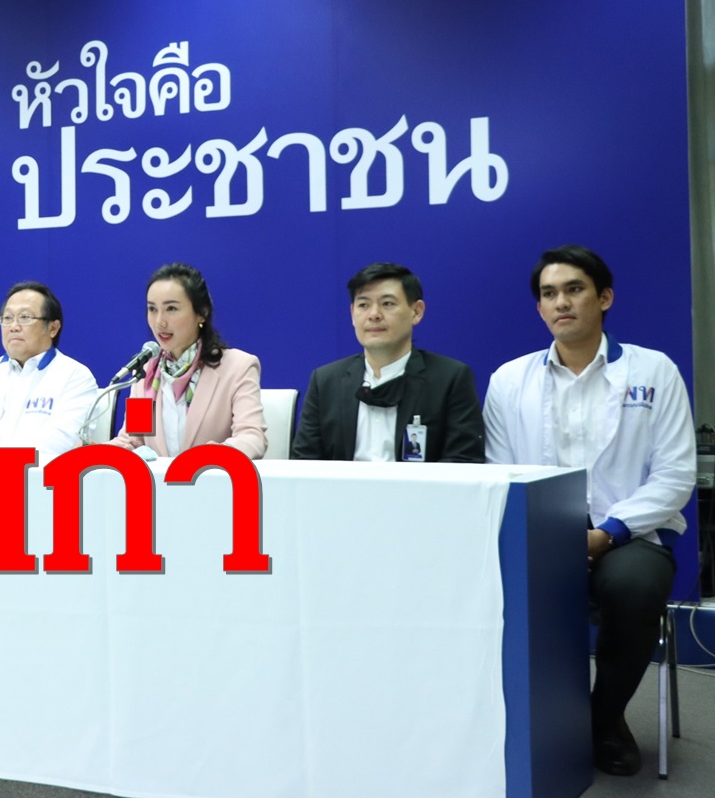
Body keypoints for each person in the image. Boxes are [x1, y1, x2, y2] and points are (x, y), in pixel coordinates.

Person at [484, 245, 695, 777]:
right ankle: (527, 722)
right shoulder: (510, 380)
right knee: (496, 585)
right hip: (541, 530)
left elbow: (675, 474)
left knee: (633, 587)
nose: (561, 302)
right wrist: (543, 535)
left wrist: (610, 532)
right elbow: (500, 472)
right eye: (549, 294)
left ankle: (604, 720)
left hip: (631, 532)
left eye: (574, 289)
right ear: (539, 308)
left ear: (604, 298)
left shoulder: (654, 370)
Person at [292, 262, 484, 463]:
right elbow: (304, 461)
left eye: (388, 304)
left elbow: (463, 462)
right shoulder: (325, 381)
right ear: (352, 314)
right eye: (364, 305)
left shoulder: (449, 379)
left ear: (416, 311)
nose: (374, 315)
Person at [112, 263, 266, 459]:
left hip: (213, 477)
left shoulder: (237, 367)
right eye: (152, 309)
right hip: (159, 480)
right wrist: (96, 452)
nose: (159, 321)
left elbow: (252, 437)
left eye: (171, 308)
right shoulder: (147, 373)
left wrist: (215, 455)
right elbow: (134, 440)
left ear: (202, 313)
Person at [0, 281, 97, 461]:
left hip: (41, 477)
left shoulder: (76, 376)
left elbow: (60, 445)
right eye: (7, 318)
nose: (14, 326)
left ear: (53, 328)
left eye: (25, 317)